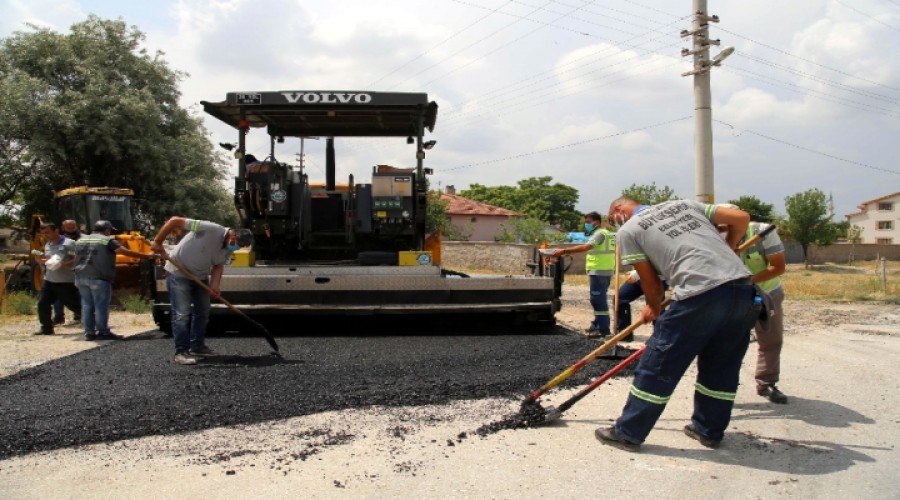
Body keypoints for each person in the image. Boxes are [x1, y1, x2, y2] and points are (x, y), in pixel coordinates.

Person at [594, 197, 761, 452]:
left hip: (700, 296)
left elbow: (650, 283)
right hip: (743, 291)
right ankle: (708, 430)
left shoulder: (629, 229)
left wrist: (654, 306)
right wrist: (729, 247)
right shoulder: (684, 205)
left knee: (658, 364)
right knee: (721, 366)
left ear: (619, 209)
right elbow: (741, 218)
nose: (615, 223)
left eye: (612, 217)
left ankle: (628, 432)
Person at [150, 217, 254, 365]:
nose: (236, 248)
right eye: (238, 244)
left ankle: (197, 346)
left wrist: (215, 285)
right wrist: (158, 241)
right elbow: (174, 221)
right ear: (232, 236)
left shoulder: (227, 249)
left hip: (200, 277)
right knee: (181, 314)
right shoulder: (210, 228)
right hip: (178, 273)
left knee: (203, 312)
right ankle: (181, 352)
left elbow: (218, 265)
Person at [720, 205, 789, 404]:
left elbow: (778, 267)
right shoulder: (713, 236)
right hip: (732, 294)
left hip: (767, 292)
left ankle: (767, 382)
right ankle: (719, 387)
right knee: (723, 341)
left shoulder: (762, 232)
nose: (723, 231)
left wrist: (748, 281)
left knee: (771, 338)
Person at [74, 220, 155, 341]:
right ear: (106, 230)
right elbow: (125, 252)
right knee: (101, 306)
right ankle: (103, 332)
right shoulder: (107, 241)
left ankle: (89, 333)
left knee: (86, 306)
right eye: (110, 230)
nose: (110, 233)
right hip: (99, 278)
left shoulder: (80, 240)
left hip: (80, 277)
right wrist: (148, 256)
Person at [552, 211, 616, 337]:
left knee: (598, 299)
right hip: (603, 270)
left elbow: (586, 247)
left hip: (600, 270)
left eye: (588, 222)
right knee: (597, 298)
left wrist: (564, 251)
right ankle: (596, 324)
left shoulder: (600, 234)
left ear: (596, 222)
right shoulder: (606, 234)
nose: (586, 225)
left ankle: (603, 328)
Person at [33, 223, 82, 335]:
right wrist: (40, 260)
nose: (45, 235)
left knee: (74, 305)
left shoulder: (69, 244)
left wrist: (65, 264)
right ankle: (46, 328)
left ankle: (95, 322)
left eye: (47, 232)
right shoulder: (48, 245)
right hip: (49, 280)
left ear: (56, 231)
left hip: (65, 281)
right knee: (43, 303)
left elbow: (76, 258)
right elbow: (44, 256)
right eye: (43, 233)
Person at [52, 219, 83, 326]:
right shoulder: (56, 239)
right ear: (62, 227)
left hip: (77, 271)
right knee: (58, 296)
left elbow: (78, 255)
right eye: (68, 228)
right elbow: (42, 252)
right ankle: (58, 317)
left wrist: (69, 262)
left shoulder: (82, 238)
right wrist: (37, 255)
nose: (70, 230)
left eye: (72, 227)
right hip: (59, 274)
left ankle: (78, 316)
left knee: (77, 295)